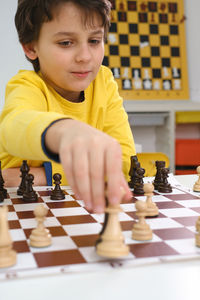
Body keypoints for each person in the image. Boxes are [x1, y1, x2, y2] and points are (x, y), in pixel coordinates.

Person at [0, 0, 136, 213]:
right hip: (23, 212)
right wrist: (63, 130)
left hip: (83, 213)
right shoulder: (27, 86)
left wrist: (46, 174)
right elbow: (11, 128)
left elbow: (125, 161)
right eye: (65, 43)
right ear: (30, 47)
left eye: (94, 40)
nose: (85, 57)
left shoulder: (104, 82)